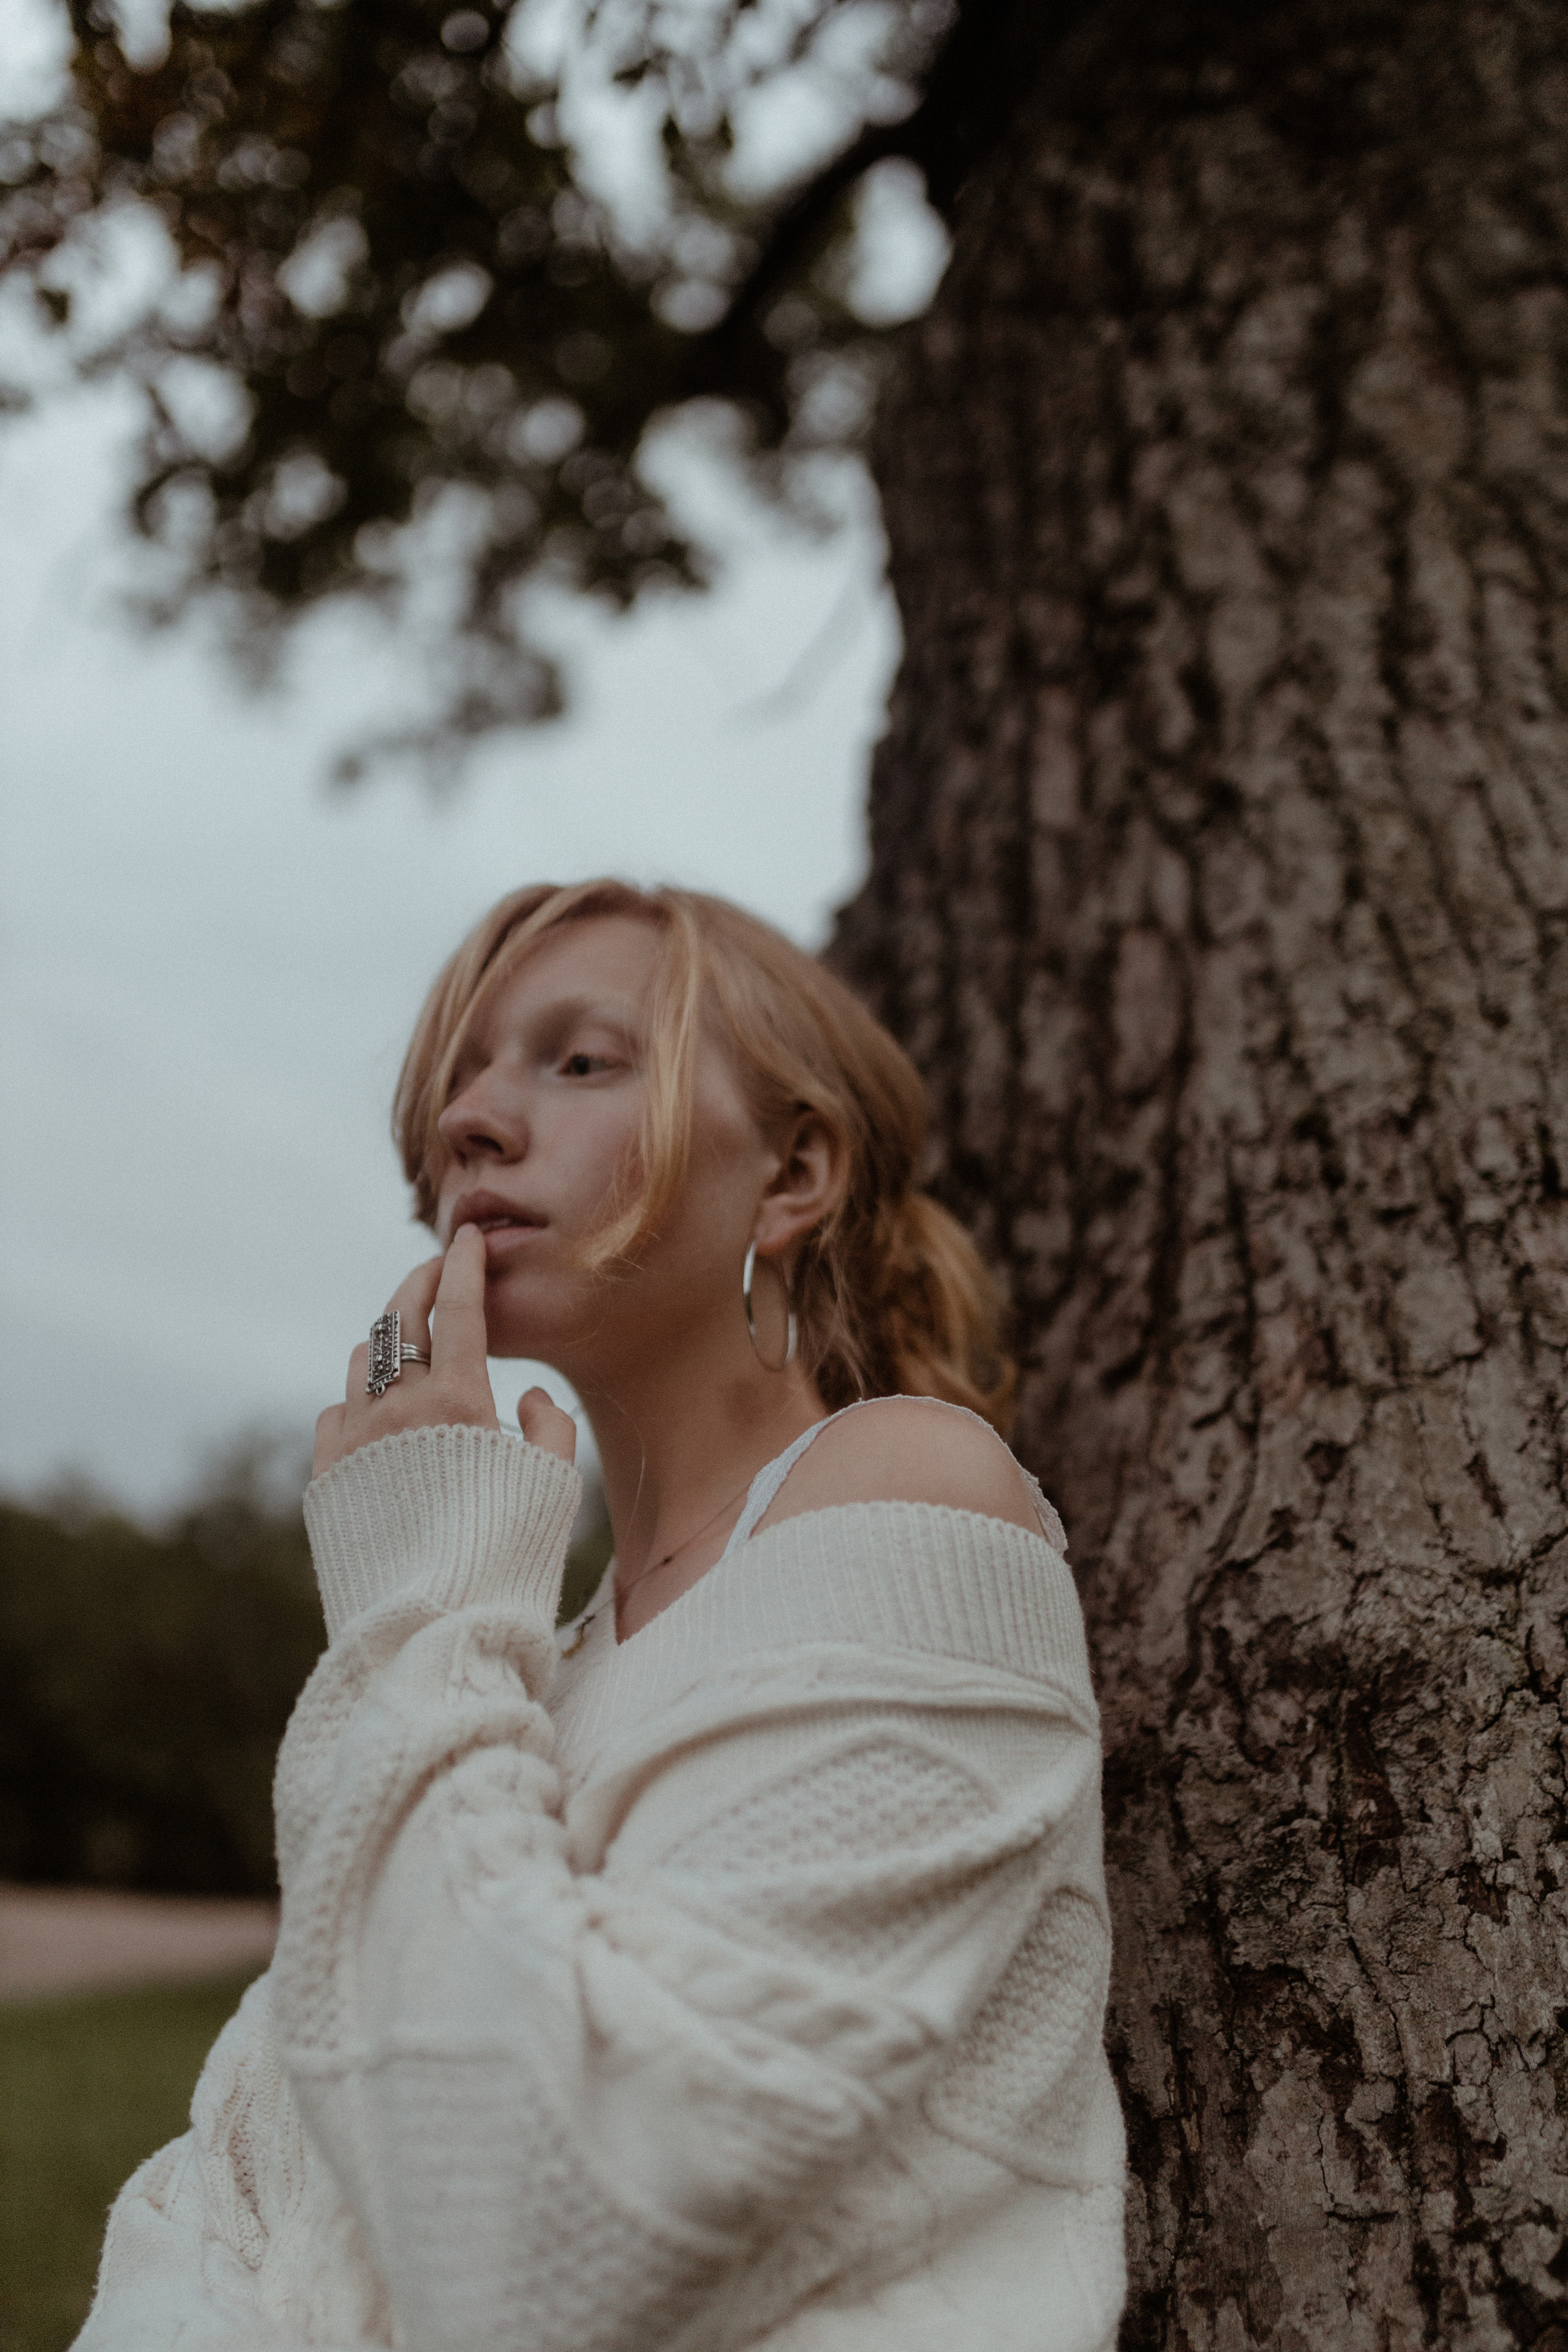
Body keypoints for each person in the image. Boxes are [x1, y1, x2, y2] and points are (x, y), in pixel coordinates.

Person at [77, 880, 1126, 2352]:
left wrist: (416, 1592)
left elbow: (531, 2239)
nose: (469, 1121)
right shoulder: (529, 1665)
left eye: (580, 1061)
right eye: (460, 1079)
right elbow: (229, 2188)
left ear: (790, 1173)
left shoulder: (907, 1492)